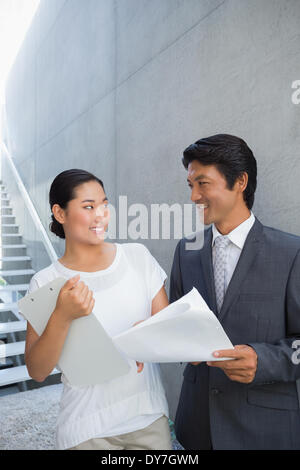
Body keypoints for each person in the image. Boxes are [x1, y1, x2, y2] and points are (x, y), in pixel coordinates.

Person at [24, 169, 172, 451]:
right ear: (60, 213)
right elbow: (37, 370)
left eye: (104, 205)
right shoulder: (45, 282)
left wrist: (147, 337)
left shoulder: (137, 258)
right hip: (85, 431)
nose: (100, 214)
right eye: (89, 207)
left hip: (148, 420)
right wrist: (62, 316)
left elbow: (168, 335)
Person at [170, 134, 300, 450]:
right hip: (197, 426)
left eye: (202, 184)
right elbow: (174, 325)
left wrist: (265, 360)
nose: (194, 197)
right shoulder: (186, 251)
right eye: (190, 186)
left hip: (265, 429)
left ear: (240, 181)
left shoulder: (291, 252)